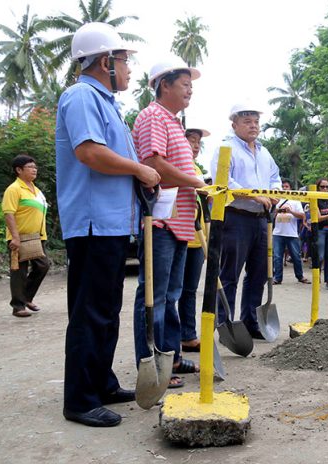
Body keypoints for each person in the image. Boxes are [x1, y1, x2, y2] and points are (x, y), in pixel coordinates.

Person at [55, 22, 161, 427]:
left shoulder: (106, 103)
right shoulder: (82, 96)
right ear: (105, 62)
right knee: (91, 312)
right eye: (124, 61)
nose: (130, 70)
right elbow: (89, 153)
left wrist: (139, 176)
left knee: (106, 310)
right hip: (94, 223)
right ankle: (80, 399)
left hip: (113, 224)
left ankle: (101, 382)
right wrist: (140, 169)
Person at [132, 57, 204, 387]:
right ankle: (151, 363)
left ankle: (170, 356)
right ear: (165, 85)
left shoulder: (173, 122)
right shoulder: (152, 117)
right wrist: (198, 183)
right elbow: (152, 163)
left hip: (180, 222)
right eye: (184, 84)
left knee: (170, 295)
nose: (190, 90)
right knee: (154, 295)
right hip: (161, 221)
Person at [209, 102, 282, 339]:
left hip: (262, 219)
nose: (253, 126)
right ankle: (225, 324)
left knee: (258, 274)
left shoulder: (264, 151)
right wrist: (254, 194)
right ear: (234, 124)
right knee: (229, 274)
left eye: (256, 121)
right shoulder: (225, 148)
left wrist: (274, 191)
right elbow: (224, 181)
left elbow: (275, 177)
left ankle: (251, 322)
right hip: (236, 218)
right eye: (247, 121)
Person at [2, 154, 50, 317]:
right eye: (30, 167)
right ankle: (18, 306)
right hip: (20, 237)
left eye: (35, 167)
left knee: (43, 265)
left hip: (37, 237)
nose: (34, 169)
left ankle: (26, 297)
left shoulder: (36, 190)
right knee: (19, 271)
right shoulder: (14, 189)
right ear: (19, 170)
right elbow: (9, 213)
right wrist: (15, 237)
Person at [177, 128, 211, 354]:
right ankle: (171, 338)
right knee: (174, 291)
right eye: (191, 140)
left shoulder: (197, 168)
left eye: (198, 142)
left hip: (199, 239)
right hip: (181, 235)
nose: (196, 145)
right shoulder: (178, 167)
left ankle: (188, 336)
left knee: (189, 289)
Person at [272, 180, 310, 285]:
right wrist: (278, 210)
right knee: (277, 256)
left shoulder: (295, 200)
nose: (284, 188)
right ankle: (277, 278)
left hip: (292, 233)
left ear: (290, 188)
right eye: (283, 186)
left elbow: (302, 216)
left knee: (296, 256)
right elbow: (270, 214)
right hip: (278, 233)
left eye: (287, 186)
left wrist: (290, 211)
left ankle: (300, 276)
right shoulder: (276, 200)